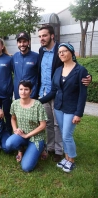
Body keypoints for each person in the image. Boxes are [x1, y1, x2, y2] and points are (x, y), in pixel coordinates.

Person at [37, 25, 92, 162]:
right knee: (49, 123)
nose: (41, 39)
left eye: (44, 35)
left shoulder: (62, 51)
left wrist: (87, 76)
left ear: (52, 36)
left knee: (59, 127)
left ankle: (60, 151)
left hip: (61, 97)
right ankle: (51, 148)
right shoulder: (41, 51)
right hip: (45, 92)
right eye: (39, 36)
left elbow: (73, 64)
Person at [5, 81, 47, 172]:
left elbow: (43, 125)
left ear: (31, 91)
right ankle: (21, 149)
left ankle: (42, 147)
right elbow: (13, 118)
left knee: (26, 167)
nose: (23, 92)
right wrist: (15, 129)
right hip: (21, 134)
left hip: (36, 137)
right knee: (8, 144)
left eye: (26, 89)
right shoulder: (15, 103)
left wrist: (27, 135)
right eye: (21, 89)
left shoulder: (37, 105)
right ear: (18, 90)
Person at [12, 32, 39, 99]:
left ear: (29, 42)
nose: (22, 44)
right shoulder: (15, 56)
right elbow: (13, 70)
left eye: (24, 42)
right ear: (17, 43)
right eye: (20, 42)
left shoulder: (36, 56)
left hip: (31, 93)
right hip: (18, 92)